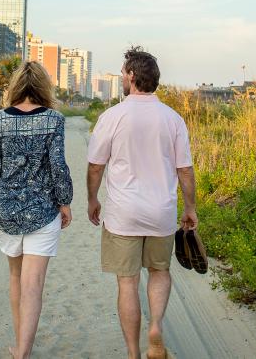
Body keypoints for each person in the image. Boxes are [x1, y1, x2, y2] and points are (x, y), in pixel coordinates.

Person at [87, 46, 197, 359]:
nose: (122, 77)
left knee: (127, 282)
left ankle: (134, 353)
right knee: (160, 271)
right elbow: (185, 170)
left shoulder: (112, 117)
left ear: (133, 76)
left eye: (123, 72)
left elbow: (96, 166)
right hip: (161, 213)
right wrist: (190, 208)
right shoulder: (173, 119)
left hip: (123, 214)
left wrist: (93, 199)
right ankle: (156, 327)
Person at [0, 61, 73, 359]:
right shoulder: (54, 120)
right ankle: (23, 351)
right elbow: (58, 166)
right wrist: (65, 201)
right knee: (33, 285)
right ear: (43, 87)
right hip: (43, 213)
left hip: (6, 215)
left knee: (15, 278)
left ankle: (19, 343)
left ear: (15, 87)